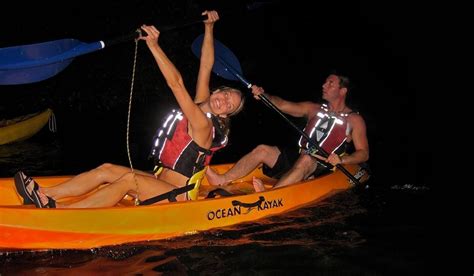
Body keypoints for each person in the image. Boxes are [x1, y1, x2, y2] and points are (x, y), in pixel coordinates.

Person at [14, 10, 245, 208]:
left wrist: (153, 46)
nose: (224, 101)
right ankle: (46, 195)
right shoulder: (202, 102)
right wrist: (209, 27)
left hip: (177, 196)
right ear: (216, 91)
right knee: (106, 169)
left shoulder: (204, 125)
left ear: (224, 115)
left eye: (229, 105)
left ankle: (64, 212)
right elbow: (206, 65)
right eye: (225, 95)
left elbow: (176, 84)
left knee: (129, 179)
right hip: (160, 182)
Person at [205, 73, 369, 192]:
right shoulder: (314, 109)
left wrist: (342, 159)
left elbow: (363, 153)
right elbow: (282, 104)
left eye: (330, 83)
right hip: (299, 159)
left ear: (343, 91)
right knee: (263, 149)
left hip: (322, 166)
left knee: (306, 159)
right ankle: (222, 179)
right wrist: (264, 96)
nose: (324, 85)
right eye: (325, 82)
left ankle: (270, 195)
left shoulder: (354, 120)